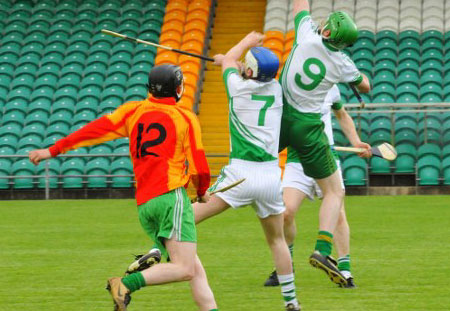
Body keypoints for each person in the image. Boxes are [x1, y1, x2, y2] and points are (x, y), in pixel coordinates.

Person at [132, 33, 301, 310]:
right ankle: (292, 301)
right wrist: (231, 61)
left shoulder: (237, 87)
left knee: (184, 216)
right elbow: (237, 64)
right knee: (277, 240)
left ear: (248, 71)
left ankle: (158, 250)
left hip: (240, 176)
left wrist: (245, 42)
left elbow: (232, 60)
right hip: (271, 177)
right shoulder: (277, 91)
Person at [28, 65, 218, 311]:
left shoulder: (133, 111)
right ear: (179, 89)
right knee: (185, 269)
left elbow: (93, 130)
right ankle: (127, 283)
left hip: (145, 205)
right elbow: (200, 168)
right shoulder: (185, 118)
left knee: (194, 269)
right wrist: (202, 191)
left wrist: (52, 150)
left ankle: (158, 256)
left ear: (149, 88)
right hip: (171, 198)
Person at [278, 0, 371, 287]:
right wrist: (356, 76)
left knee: (337, 204)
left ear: (328, 30)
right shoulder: (341, 67)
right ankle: (305, 254)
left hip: (297, 128)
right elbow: (364, 85)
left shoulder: (306, 35)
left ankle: (343, 265)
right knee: (313, 204)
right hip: (308, 143)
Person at [264, 85, 371, 288]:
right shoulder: (287, 87)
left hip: (326, 156)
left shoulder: (331, 87)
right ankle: (286, 265)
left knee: (338, 214)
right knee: (285, 213)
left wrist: (356, 141)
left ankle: (345, 270)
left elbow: (341, 114)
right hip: (297, 160)